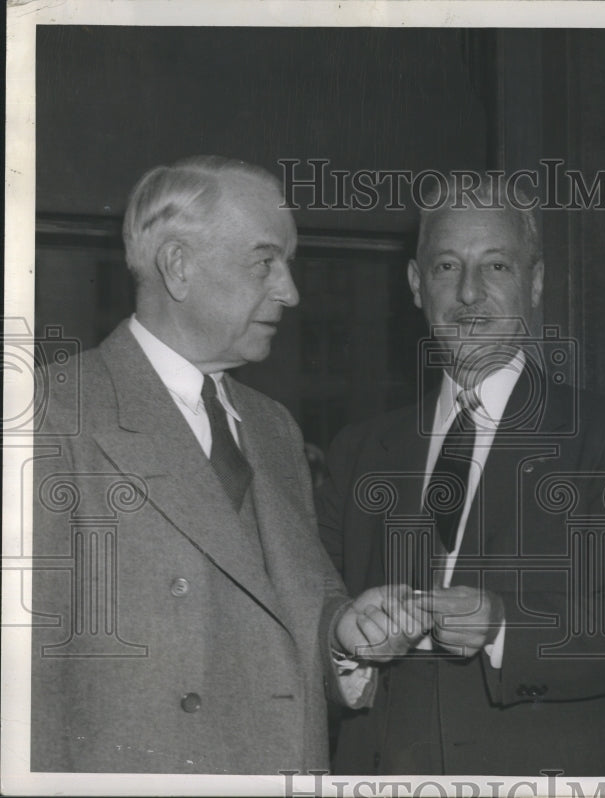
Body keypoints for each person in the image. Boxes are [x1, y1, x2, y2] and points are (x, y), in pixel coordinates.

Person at [31, 156, 411, 774]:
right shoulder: (51, 414)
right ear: (178, 266)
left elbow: (282, 608)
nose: (290, 291)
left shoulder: (274, 428)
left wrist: (343, 633)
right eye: (265, 261)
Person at [316, 175, 605, 776]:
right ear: (415, 285)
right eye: (447, 266)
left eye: (497, 266)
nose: (470, 293)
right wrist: (348, 649)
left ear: (535, 283)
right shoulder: (357, 451)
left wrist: (503, 625)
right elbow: (313, 612)